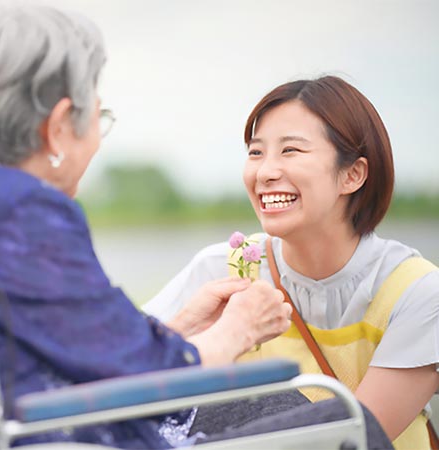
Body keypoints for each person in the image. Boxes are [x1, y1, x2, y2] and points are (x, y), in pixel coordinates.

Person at [0, 6, 392, 449]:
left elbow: (70, 348)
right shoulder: (25, 215)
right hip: (64, 436)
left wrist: (182, 324)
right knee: (347, 419)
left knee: (278, 400)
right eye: (99, 118)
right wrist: (241, 329)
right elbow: (137, 379)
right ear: (56, 127)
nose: (97, 139)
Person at [144, 75, 439, 449]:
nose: (265, 172)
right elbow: (118, 380)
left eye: (290, 151)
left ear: (353, 174)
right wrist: (185, 332)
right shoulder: (222, 267)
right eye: (256, 152)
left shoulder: (417, 292)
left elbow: (352, 436)